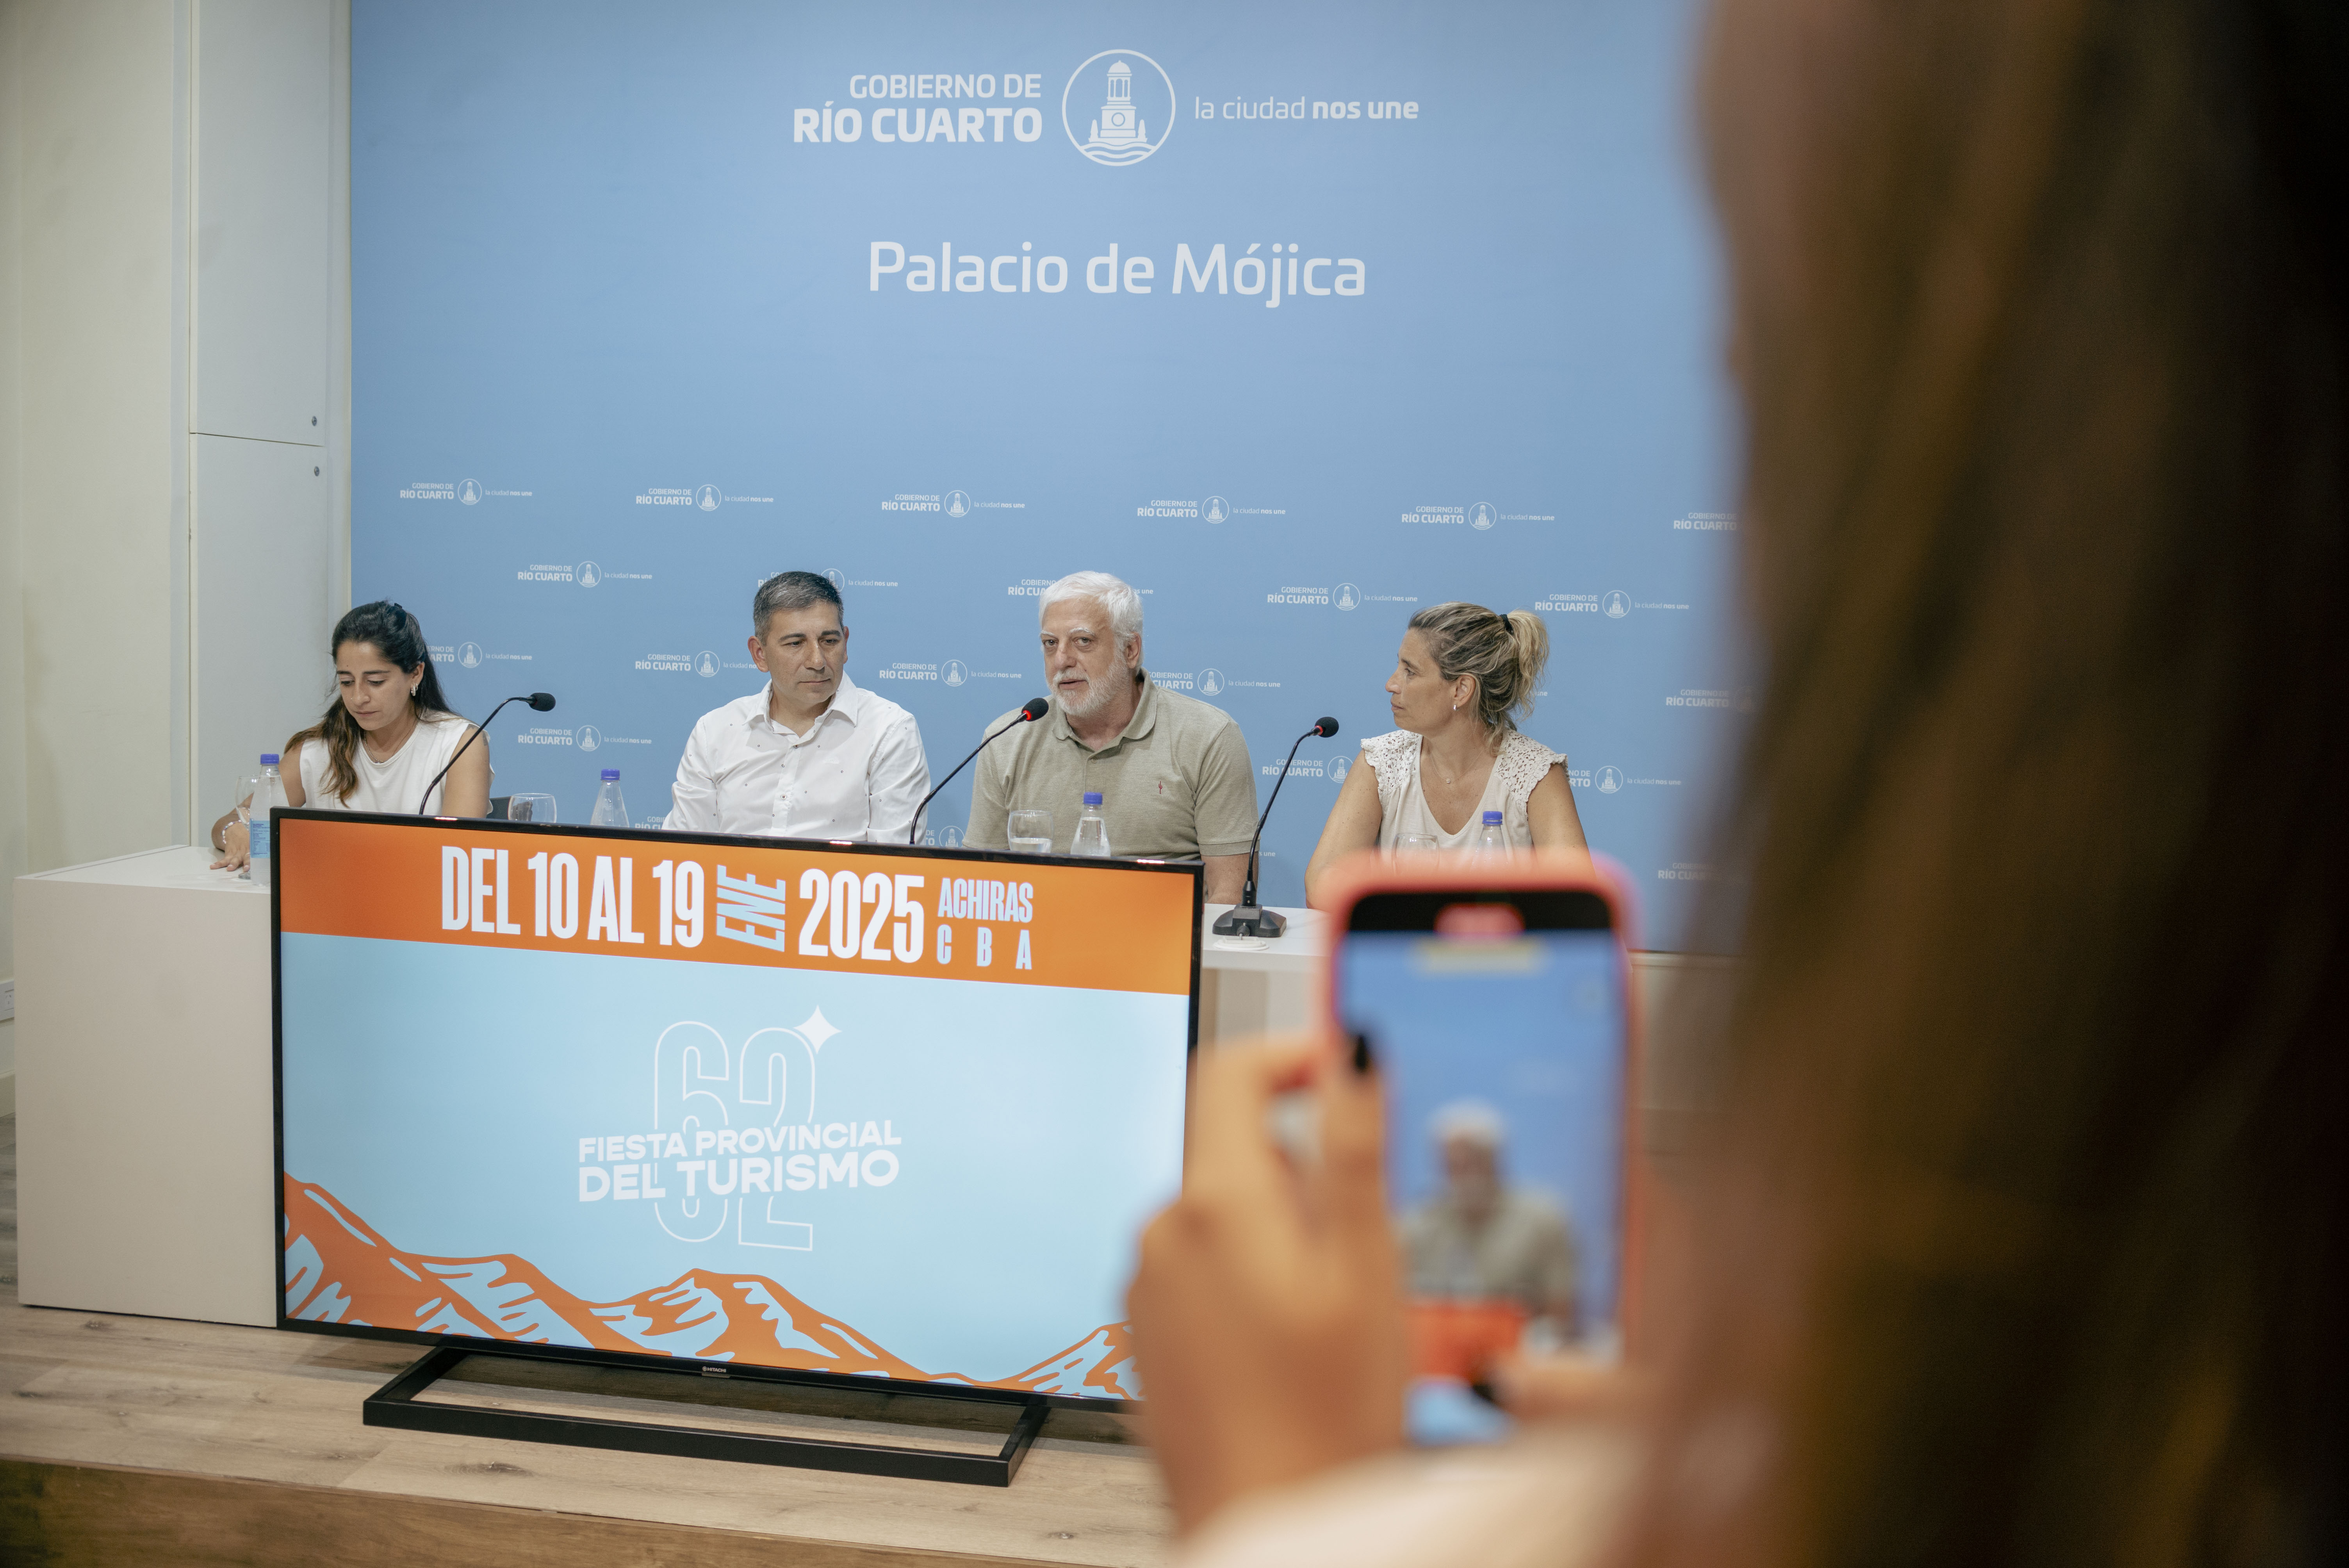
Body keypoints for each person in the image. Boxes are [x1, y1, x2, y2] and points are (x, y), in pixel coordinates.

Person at [1126, 0, 2349, 1562]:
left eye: (1777, 355)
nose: (1726, 376)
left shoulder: (1541, 773)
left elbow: (1553, 882)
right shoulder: (2114, 1390)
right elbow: (1339, 884)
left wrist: (1298, 1521)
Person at [963, 570, 1258, 901]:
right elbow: (980, 887)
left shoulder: (1209, 737)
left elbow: (1228, 897)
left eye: (1083, 641)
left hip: (1162, 932)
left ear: (1130, 650)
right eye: (1050, 643)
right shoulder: (1006, 739)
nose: (1062, 660)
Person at [1303, 602, 1586, 905]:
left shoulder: (1536, 774)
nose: (1391, 684)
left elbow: (1576, 903)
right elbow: (1322, 882)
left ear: (1461, 690)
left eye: (1410, 672)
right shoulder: (1381, 761)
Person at [209, 601, 488, 867]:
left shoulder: (459, 743)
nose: (358, 698)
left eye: (376, 682)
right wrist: (234, 832)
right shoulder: (318, 749)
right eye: (346, 681)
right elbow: (231, 822)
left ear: (415, 673)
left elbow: (460, 852)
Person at [663, 571, 930, 842]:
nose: (817, 661)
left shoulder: (889, 730)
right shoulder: (714, 731)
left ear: (846, 643)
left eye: (830, 641)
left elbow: (895, 862)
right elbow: (683, 853)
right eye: (795, 644)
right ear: (760, 654)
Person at [1398, 1102, 1577, 1345]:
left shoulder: (1542, 1221)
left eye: (1473, 1161)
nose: (1463, 1173)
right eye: (1454, 1164)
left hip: (1519, 1354)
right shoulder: (1417, 1227)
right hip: (1440, 1354)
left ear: (1497, 1159)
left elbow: (1560, 1311)